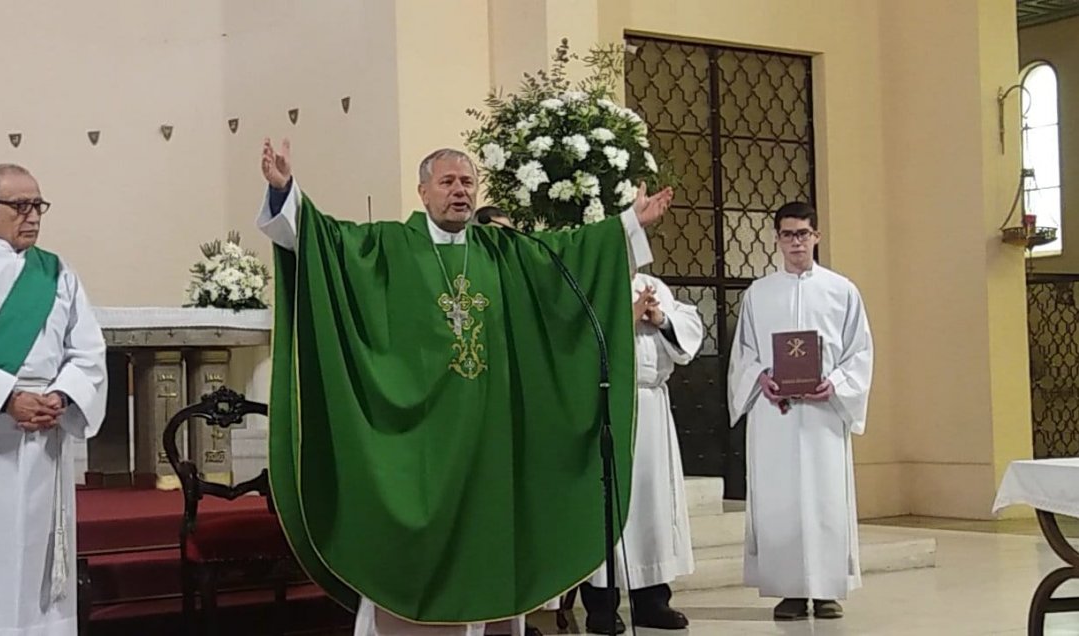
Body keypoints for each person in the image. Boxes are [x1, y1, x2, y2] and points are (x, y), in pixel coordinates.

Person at [256, 138, 672, 636]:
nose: (460, 192)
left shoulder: (504, 253)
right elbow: (325, 242)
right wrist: (286, 192)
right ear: (423, 192)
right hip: (422, 439)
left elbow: (568, 257)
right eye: (448, 182)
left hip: (492, 435)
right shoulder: (387, 246)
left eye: (468, 182)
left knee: (490, 539)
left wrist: (628, 224)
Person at [0, 164, 108, 635]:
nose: (33, 216)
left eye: (38, 205)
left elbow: (88, 351)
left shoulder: (57, 273)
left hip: (46, 441)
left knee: (42, 565)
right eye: (20, 206)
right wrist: (5, 400)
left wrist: (61, 394)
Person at [726, 201, 874, 621]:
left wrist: (838, 384)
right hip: (777, 414)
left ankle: (826, 589)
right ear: (777, 239)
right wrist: (761, 379)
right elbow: (744, 353)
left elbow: (859, 350)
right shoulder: (759, 292)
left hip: (824, 413)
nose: (796, 242)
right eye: (788, 234)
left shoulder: (842, 290)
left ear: (817, 236)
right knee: (780, 499)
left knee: (825, 499)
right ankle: (789, 590)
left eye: (803, 233)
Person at [579, 272, 702, 634]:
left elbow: (688, 330)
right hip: (607, 403)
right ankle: (601, 606)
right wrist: (625, 317)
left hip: (650, 403)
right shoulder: (591, 278)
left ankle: (652, 600)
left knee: (652, 505)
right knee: (608, 503)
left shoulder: (654, 285)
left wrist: (660, 319)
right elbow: (573, 338)